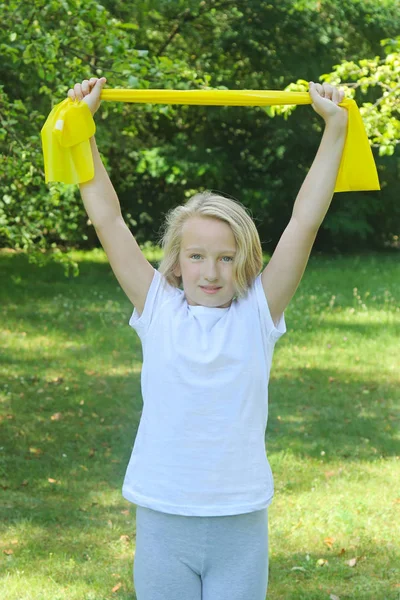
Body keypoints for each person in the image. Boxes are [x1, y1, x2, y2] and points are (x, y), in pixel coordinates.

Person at [69, 76, 348, 599]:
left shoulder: (258, 314)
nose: (211, 272)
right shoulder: (157, 309)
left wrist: (335, 129)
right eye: (197, 256)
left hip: (238, 522)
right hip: (163, 516)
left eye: (226, 257)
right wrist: (83, 129)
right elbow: (106, 217)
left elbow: (304, 221)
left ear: (246, 261)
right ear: (176, 259)